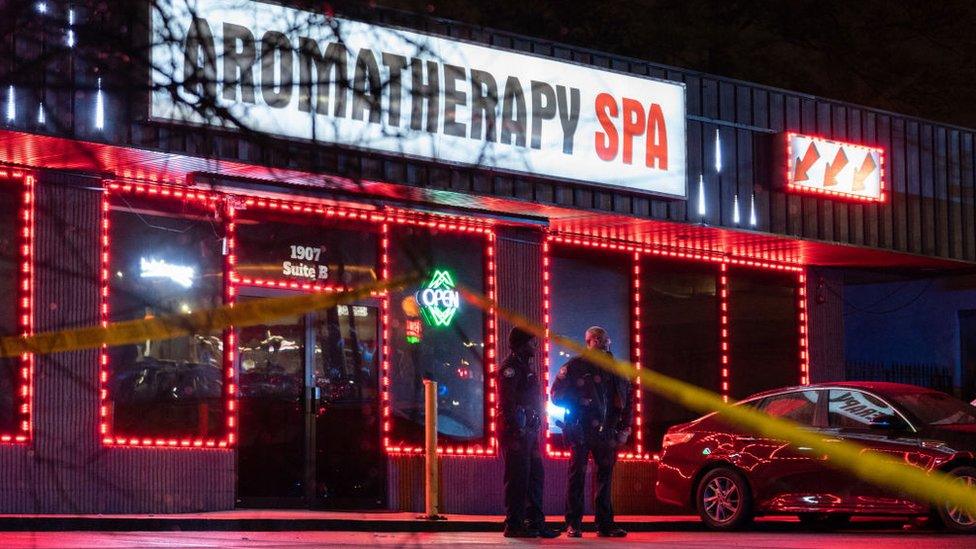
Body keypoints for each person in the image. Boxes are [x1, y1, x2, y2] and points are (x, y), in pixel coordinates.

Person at [551, 326, 632, 538]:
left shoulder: (617, 369)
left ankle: (605, 524)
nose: (606, 343)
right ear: (592, 341)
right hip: (581, 429)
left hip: (607, 432)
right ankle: (573, 523)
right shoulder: (576, 366)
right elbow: (555, 395)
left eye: (606, 339)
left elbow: (628, 400)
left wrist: (625, 427)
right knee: (577, 476)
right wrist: (579, 401)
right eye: (601, 339)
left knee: (604, 478)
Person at [499, 327, 559, 538]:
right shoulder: (511, 368)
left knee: (535, 476)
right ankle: (514, 524)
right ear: (522, 343)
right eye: (532, 342)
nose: (535, 346)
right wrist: (518, 428)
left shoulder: (525, 366)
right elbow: (508, 403)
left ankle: (535, 523)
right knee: (518, 478)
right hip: (517, 433)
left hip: (529, 432)